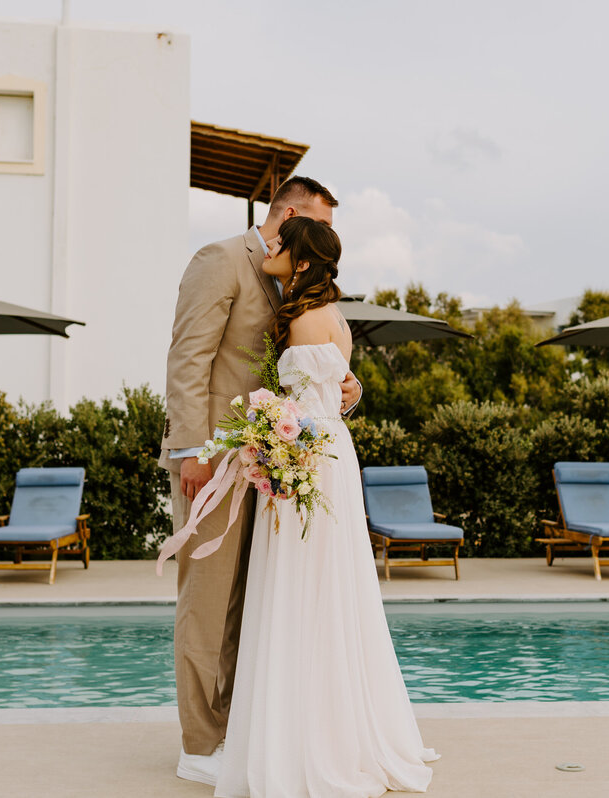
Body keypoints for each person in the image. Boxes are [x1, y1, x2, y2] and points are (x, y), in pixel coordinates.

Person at [214, 216, 437, 797]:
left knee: (299, 592)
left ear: (304, 262)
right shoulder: (334, 316)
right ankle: (337, 729)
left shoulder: (305, 319)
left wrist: (272, 448)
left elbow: (305, 409)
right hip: (330, 455)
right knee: (331, 593)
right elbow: (331, 396)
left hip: (305, 459)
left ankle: (305, 741)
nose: (273, 248)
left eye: (283, 245)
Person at [160, 177, 361, 786]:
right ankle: (200, 743)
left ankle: (239, 731)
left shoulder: (294, 284)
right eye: (320, 226)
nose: (324, 239)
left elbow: (305, 369)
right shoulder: (219, 260)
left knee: (253, 602)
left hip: (274, 464)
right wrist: (192, 450)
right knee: (208, 601)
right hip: (215, 461)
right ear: (292, 215)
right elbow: (188, 357)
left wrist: (347, 389)